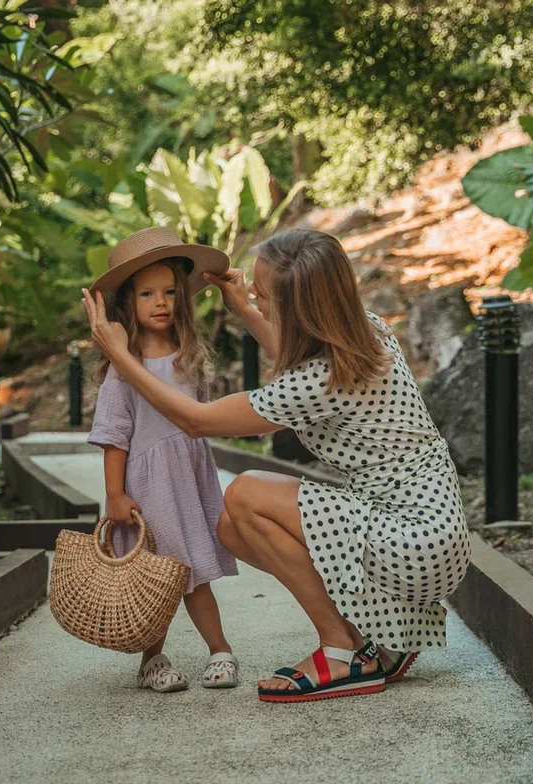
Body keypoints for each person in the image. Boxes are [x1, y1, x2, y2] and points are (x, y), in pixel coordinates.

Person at [83, 228, 470, 703]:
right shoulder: (365, 331)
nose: (256, 300)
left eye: (262, 296)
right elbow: (295, 360)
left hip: (409, 540)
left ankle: (341, 649)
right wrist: (244, 309)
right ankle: (381, 633)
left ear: (297, 308)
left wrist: (119, 354)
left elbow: (196, 421)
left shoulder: (317, 380)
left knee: (245, 492)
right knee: (230, 528)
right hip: (433, 532)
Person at [85, 227, 239, 694]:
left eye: (170, 292)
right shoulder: (122, 366)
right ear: (126, 304)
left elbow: (202, 419)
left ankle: (221, 651)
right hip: (149, 491)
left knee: (193, 572)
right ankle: (153, 659)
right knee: (157, 578)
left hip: (188, 483)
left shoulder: (188, 356)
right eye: (147, 293)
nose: (161, 302)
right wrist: (114, 493)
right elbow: (115, 436)